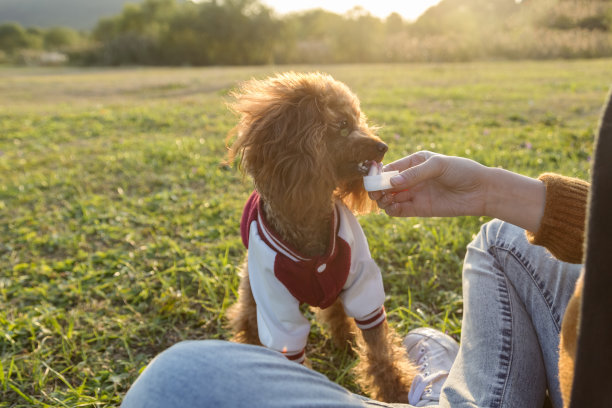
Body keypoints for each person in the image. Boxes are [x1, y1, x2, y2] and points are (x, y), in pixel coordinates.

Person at [120, 145, 589, 407]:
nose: (370, 142)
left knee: (175, 381)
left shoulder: (343, 228)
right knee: (501, 235)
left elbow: (363, 289)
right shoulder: (266, 240)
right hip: (587, 359)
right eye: (339, 131)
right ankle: (444, 379)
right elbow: (275, 311)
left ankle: (438, 391)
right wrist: (490, 188)